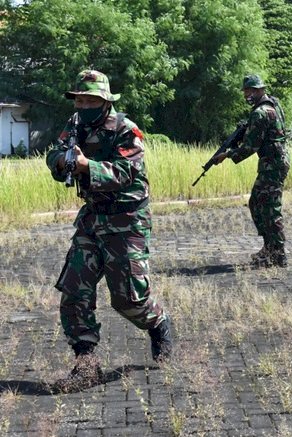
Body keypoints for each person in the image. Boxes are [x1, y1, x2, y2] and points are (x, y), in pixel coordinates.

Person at [46, 70, 173, 393]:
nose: (84, 104)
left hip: (126, 220)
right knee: (74, 292)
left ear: (105, 101)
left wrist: (89, 166)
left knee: (128, 300)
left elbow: (127, 172)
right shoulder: (75, 125)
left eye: (91, 100)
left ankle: (158, 323)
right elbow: (54, 154)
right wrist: (61, 161)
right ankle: (86, 365)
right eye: (80, 99)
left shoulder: (125, 130)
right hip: (92, 219)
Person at [214, 74, 290, 267]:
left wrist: (227, 154)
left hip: (272, 164)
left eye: (250, 91)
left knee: (269, 208)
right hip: (274, 162)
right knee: (257, 202)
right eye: (246, 91)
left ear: (259, 90)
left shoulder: (260, 113)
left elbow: (250, 147)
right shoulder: (274, 105)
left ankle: (277, 253)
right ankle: (270, 247)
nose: (247, 95)